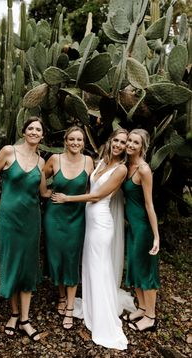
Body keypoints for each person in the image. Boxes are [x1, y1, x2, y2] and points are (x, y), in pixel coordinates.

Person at [52, 128, 135, 349]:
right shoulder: (101, 161)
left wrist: (67, 198)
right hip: (87, 220)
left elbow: (98, 195)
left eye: (123, 143)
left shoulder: (120, 169)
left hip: (101, 223)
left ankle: (101, 315)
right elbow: (88, 186)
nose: (118, 145)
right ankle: (90, 305)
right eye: (116, 140)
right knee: (89, 265)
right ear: (110, 141)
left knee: (99, 266)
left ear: (127, 147)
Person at [0, 117, 51, 341]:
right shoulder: (8, 151)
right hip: (10, 219)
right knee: (12, 263)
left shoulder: (41, 162)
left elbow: (43, 193)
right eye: (30, 128)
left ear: (42, 136)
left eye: (38, 129)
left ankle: (25, 320)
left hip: (31, 220)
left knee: (28, 266)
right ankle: (13, 314)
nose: (34, 132)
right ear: (24, 132)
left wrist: (71, 192)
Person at [43, 126, 94, 330]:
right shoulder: (54, 160)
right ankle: (62, 296)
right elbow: (39, 176)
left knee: (72, 259)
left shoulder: (88, 161)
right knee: (57, 258)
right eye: (71, 139)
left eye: (79, 140)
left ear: (83, 143)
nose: (75, 143)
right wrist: (45, 192)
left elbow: (92, 188)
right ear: (65, 140)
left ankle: (71, 307)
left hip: (76, 217)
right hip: (54, 217)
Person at [122, 128, 160, 332]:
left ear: (142, 147)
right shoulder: (127, 165)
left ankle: (151, 318)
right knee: (135, 268)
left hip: (144, 228)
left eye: (135, 143)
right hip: (132, 227)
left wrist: (156, 236)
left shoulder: (144, 170)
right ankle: (143, 307)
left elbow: (149, 204)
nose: (130, 145)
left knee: (146, 271)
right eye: (129, 140)